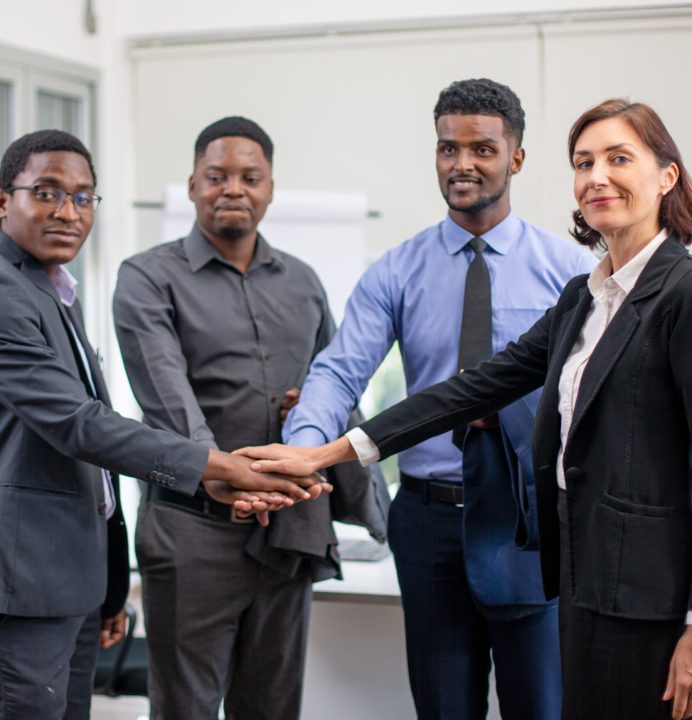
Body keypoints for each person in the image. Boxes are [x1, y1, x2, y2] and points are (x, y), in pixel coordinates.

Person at [238, 98, 692, 720]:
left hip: (579, 547)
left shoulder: (651, 286)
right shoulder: (585, 296)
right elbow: (464, 388)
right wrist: (321, 450)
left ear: (667, 175)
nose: (597, 177)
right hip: (500, 537)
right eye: (584, 162)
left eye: (619, 159)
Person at [280, 78, 595, 719]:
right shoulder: (396, 270)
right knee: (443, 706)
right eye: (448, 149)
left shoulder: (570, 270)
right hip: (428, 518)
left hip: (529, 517)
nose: (462, 165)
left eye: (481, 149)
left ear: (517, 158)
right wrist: (303, 451)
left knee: (543, 704)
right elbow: (339, 372)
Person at [0, 129, 326, 720]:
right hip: (45, 572)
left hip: (264, 533)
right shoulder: (23, 290)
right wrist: (217, 468)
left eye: (82, 197)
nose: (67, 211)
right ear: (4, 200)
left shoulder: (52, 290)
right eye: (46, 193)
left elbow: (333, 382)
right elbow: (80, 422)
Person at [112, 116, 387, 720]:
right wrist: (227, 473)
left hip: (287, 530)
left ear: (269, 189)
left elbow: (336, 384)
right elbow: (168, 400)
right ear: (191, 186)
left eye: (249, 177)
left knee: (272, 708)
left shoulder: (303, 281)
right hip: (193, 532)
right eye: (217, 176)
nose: (232, 188)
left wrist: (312, 412)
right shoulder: (146, 277)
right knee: (185, 708)